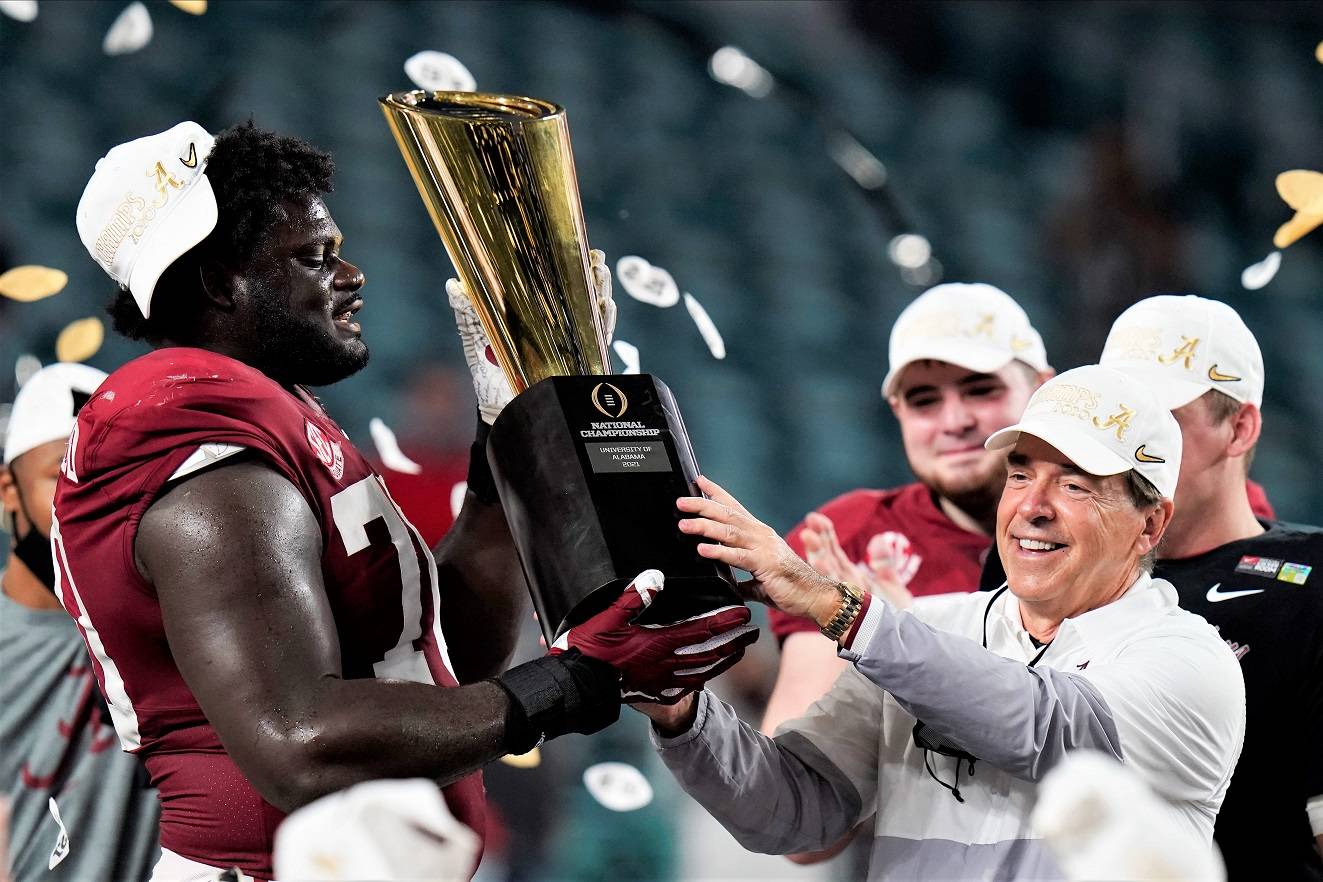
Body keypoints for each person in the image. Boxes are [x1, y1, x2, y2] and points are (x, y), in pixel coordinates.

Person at [56, 121, 754, 881]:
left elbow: (433, 660)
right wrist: (575, 680)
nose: (351, 275)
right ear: (221, 282)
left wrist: (502, 446)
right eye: (315, 256)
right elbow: (297, 741)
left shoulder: (272, 415)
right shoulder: (192, 440)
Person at [641, 364, 1246, 880]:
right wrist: (680, 710)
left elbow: (1047, 724)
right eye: (1020, 473)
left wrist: (835, 605)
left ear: (1150, 525)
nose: (1032, 507)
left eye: (1075, 484)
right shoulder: (931, 626)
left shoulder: (1190, 661)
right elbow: (798, 809)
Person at [762, 283, 1054, 738]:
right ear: (896, 411)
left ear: (1043, 390)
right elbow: (798, 768)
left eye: (981, 390)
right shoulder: (845, 538)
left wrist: (895, 634)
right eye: (924, 401)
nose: (955, 421)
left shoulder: (1111, 530)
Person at [1101, 294, 1323, 881]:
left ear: (1240, 428)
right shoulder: (1033, 566)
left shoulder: (1315, 584)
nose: (1132, 444)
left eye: (1161, 420)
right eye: (1119, 415)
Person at [0, 363, 160, 881]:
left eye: (110, 477)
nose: (85, 500)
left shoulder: (185, 622)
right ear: (7, 490)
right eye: (60, 475)